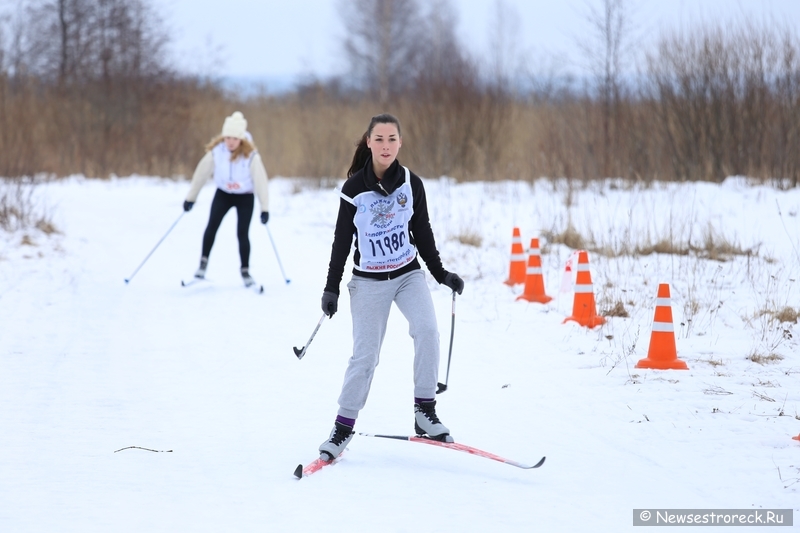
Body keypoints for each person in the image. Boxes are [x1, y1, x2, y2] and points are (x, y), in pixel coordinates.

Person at [317, 113, 465, 460]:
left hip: (407, 274)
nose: (386, 146)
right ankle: (342, 428)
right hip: (368, 282)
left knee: (427, 330)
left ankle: (424, 411)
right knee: (365, 357)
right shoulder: (354, 189)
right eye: (379, 139)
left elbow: (423, 232)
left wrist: (440, 273)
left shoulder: (412, 183)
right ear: (368, 142)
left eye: (391, 139)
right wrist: (331, 288)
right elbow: (341, 241)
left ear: (400, 143)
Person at [183, 111, 270, 287]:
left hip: (245, 197)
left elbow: (261, 182)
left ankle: (245, 271)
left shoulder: (251, 155)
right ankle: (202, 265)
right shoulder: (217, 151)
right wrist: (191, 197)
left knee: (242, 233)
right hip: (223, 195)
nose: (230, 141)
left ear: (241, 139)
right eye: (227, 137)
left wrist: (264, 208)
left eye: (234, 138)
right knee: (211, 227)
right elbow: (201, 174)